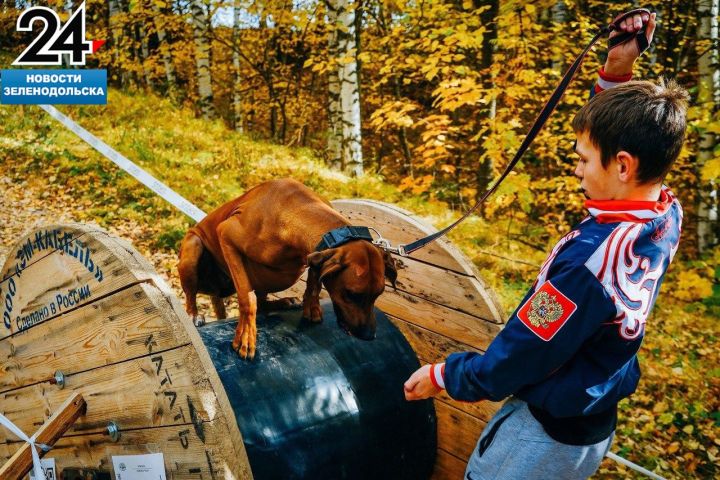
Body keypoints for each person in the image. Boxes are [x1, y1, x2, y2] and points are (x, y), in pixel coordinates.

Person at [404, 11, 689, 480]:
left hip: (538, 442)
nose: (576, 169)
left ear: (621, 166)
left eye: (581, 159)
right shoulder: (664, 213)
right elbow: (629, 140)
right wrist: (615, 76)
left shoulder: (586, 267)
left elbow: (517, 357)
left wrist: (444, 376)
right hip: (591, 421)